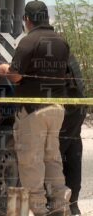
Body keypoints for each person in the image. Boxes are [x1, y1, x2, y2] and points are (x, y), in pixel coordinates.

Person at [0, 1, 71, 216]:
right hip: (57, 108)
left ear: (27, 20)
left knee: (31, 160)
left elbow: (16, 75)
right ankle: (60, 201)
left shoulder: (28, 41)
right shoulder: (62, 42)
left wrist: (4, 69)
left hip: (33, 110)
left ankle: (39, 208)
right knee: (52, 158)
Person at [60, 55, 87, 216]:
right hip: (77, 108)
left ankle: (57, 204)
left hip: (67, 110)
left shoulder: (55, 56)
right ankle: (73, 205)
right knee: (72, 153)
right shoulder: (67, 54)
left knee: (55, 155)